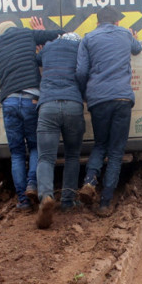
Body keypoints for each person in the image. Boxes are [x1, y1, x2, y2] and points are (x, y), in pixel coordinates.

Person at [0, 20, 63, 211]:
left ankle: (23, 201)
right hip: (31, 100)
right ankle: (32, 185)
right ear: (14, 28)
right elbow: (58, 34)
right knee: (35, 147)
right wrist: (41, 32)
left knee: (17, 152)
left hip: (9, 102)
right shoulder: (27, 34)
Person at [76, 6, 142, 217]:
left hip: (98, 99)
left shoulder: (87, 39)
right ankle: (105, 202)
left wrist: (85, 92)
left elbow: (81, 71)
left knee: (100, 145)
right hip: (122, 98)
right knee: (115, 152)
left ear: (97, 22)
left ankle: (89, 181)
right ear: (116, 22)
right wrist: (134, 36)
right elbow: (137, 48)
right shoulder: (124, 34)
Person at [33, 31, 86, 228]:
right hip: (73, 104)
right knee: (72, 155)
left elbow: (37, 59)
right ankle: (67, 200)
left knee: (46, 157)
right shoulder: (81, 48)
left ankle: (46, 196)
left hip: (47, 106)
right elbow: (83, 71)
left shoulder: (48, 47)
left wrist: (42, 49)